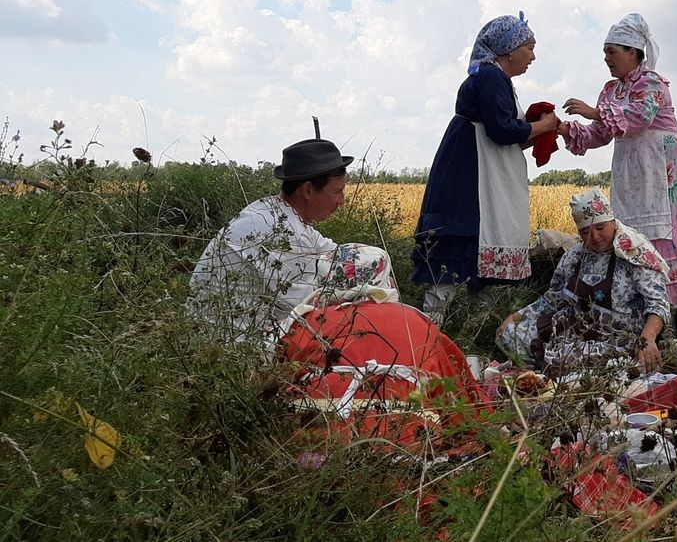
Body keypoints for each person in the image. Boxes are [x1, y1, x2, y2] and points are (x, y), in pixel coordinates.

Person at [559, 13, 677, 328]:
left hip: (665, 167)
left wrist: (594, 111)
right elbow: (600, 133)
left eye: (612, 52)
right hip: (632, 171)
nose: (606, 59)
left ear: (633, 52)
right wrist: (563, 128)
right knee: (642, 238)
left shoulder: (652, 83)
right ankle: (668, 314)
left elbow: (639, 117)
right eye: (605, 53)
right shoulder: (610, 91)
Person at [410, 13, 559, 322]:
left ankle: (459, 336)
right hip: (471, 177)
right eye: (529, 47)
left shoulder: (495, 78)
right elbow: (501, 131)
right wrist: (541, 125)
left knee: (471, 258)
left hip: (480, 169)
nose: (533, 55)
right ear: (508, 49)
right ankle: (431, 335)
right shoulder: (491, 77)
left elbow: (506, 136)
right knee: (457, 253)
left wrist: (539, 131)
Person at [277, 244, 490, 452]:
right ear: (385, 277)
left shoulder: (304, 323)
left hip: (314, 442)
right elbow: (461, 403)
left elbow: (273, 384)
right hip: (408, 444)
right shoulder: (416, 324)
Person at [188, 137, 352, 347]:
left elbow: (334, 252)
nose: (342, 201)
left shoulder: (276, 211)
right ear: (308, 190)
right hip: (229, 348)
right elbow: (307, 313)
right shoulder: (282, 233)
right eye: (337, 191)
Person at [495, 188, 670, 374]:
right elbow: (553, 299)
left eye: (601, 228)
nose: (594, 237)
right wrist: (517, 316)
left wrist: (648, 338)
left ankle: (552, 368)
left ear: (612, 221)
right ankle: (550, 368)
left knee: (581, 362)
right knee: (507, 335)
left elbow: (658, 304)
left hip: (616, 338)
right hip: (572, 329)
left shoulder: (634, 253)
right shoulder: (574, 257)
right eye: (586, 231)